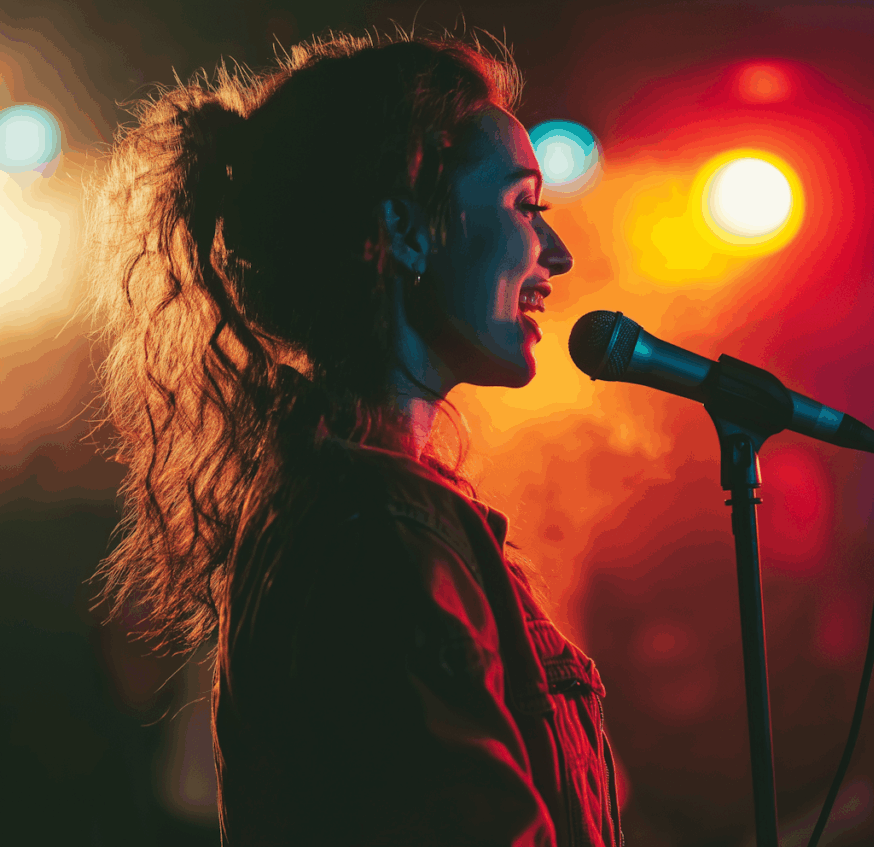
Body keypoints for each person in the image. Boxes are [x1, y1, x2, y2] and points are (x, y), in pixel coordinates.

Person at [83, 28, 623, 846]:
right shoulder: (380, 533)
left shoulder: (353, 505)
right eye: (523, 204)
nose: (557, 250)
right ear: (405, 228)